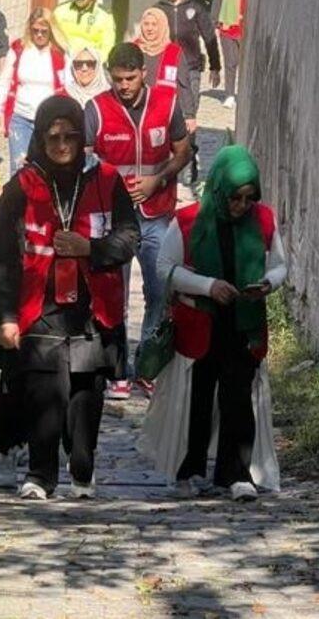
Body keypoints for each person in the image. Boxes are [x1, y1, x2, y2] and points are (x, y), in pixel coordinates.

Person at [0, 97, 139, 499]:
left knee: (85, 395)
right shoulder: (22, 186)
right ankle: (40, 475)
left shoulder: (106, 179)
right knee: (44, 391)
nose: (61, 145)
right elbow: (2, 255)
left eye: (70, 136)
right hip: (40, 305)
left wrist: (90, 248)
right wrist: (5, 315)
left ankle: (82, 466)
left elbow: (129, 237)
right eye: (52, 137)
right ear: (40, 138)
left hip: (93, 309)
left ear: (81, 137)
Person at [139, 145, 287, 501]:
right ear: (219, 190)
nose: (241, 205)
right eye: (235, 197)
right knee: (197, 400)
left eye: (249, 198)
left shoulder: (263, 220)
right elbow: (165, 268)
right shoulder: (189, 220)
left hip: (244, 324)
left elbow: (280, 265)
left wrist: (268, 284)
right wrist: (209, 286)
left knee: (239, 399)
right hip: (200, 324)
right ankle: (189, 470)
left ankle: (235, 473)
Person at [86, 42, 191, 400]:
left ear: (144, 73)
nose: (124, 86)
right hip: (113, 221)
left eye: (130, 78)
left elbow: (183, 151)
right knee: (112, 294)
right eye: (118, 79)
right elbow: (83, 160)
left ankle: (147, 364)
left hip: (156, 213)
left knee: (159, 290)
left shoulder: (167, 103)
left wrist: (158, 179)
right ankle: (117, 368)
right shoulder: (96, 109)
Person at [156, 0, 221, 183]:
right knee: (166, 114)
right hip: (167, 69)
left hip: (191, 68)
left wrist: (215, 66)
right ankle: (168, 160)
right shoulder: (160, 8)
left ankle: (188, 160)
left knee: (188, 115)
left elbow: (209, 37)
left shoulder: (196, 8)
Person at [0, 8, 66, 174]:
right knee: (19, 170)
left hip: (50, 120)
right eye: (35, 30)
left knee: (47, 170)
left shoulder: (60, 53)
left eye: (44, 31)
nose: (39, 35)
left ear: (51, 30)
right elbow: (4, 81)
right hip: (21, 118)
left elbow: (69, 87)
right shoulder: (18, 49)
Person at [134, 7, 196, 127]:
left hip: (166, 114)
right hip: (137, 111)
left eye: (154, 24)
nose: (149, 28)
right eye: (146, 24)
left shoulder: (174, 52)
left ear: (162, 26)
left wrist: (190, 115)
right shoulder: (133, 49)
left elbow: (184, 85)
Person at [51, 0, 116, 65]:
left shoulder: (105, 16)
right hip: (62, 62)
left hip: (90, 64)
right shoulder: (60, 11)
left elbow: (107, 47)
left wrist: (94, 64)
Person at [211, 0, 247, 108]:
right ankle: (230, 95)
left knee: (244, 63)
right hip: (227, 28)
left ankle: (244, 94)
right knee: (230, 62)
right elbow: (217, 2)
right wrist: (214, 22)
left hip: (245, 29)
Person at [64, 44, 109, 109]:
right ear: (72, 67)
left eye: (90, 64)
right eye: (78, 64)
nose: (84, 69)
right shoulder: (63, 96)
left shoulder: (110, 96)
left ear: (98, 67)